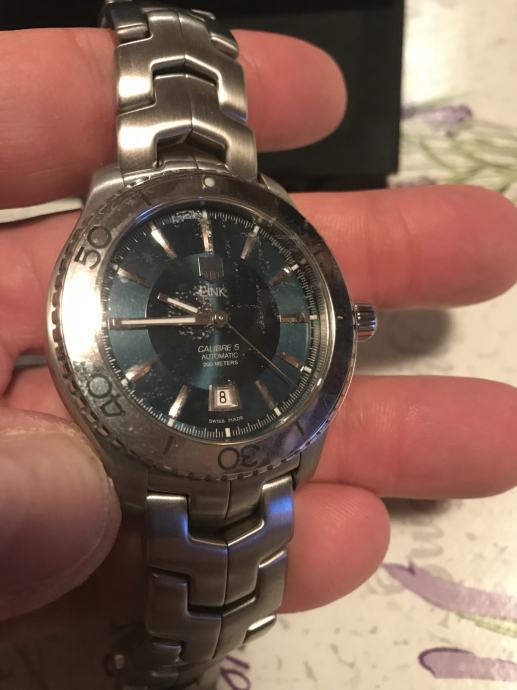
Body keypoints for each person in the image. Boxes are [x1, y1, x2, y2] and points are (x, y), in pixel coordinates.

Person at [1, 25, 517, 643]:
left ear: (348, 323)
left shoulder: (264, 212)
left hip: (257, 448)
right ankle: (181, 649)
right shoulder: (121, 208)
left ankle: (181, 650)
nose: (216, 318)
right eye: (205, 316)